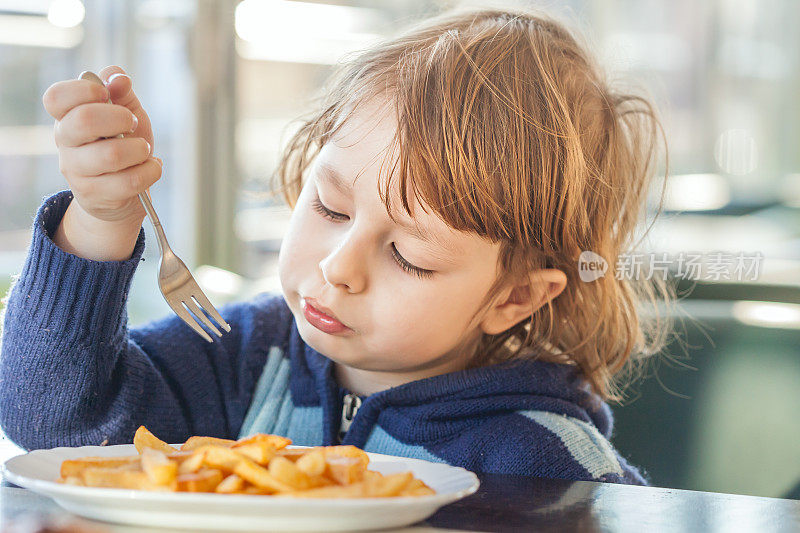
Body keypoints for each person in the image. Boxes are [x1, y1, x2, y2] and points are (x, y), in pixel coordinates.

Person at [1, 7, 674, 485]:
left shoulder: (544, 460)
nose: (338, 266)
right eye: (330, 206)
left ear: (516, 297)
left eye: (408, 255)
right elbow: (52, 419)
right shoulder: (242, 359)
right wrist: (99, 221)